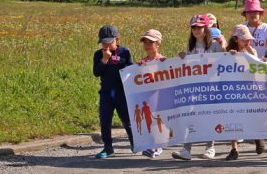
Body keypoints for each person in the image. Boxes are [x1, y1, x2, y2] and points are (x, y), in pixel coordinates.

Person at [171, 15, 227, 161]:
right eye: (193, 27)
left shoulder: (214, 45)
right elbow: (187, 64)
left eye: (199, 27)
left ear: (206, 28)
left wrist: (227, 50)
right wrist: (182, 57)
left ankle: (210, 147)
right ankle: (186, 149)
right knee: (191, 116)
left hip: (211, 87)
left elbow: (223, 62)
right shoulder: (190, 46)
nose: (196, 30)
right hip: (194, 88)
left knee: (210, 116)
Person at [92, 24, 134, 159]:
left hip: (121, 93)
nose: (106, 45)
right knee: (105, 121)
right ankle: (108, 148)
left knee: (127, 120)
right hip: (106, 93)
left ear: (117, 39)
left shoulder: (124, 52)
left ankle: (135, 142)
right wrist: (104, 59)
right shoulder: (98, 54)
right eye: (103, 42)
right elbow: (96, 72)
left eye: (109, 42)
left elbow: (131, 70)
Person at [219, 24, 259, 161]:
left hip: (248, 89)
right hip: (232, 90)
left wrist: (251, 54)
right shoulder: (226, 51)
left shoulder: (251, 51)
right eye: (245, 40)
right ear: (236, 39)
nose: (248, 42)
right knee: (232, 118)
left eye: (249, 39)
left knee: (249, 116)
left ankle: (256, 136)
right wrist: (229, 55)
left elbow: (258, 67)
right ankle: (234, 149)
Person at [134, 29, 165, 158]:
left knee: (158, 120)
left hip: (159, 96)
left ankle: (158, 145)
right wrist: (138, 68)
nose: (147, 45)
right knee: (148, 120)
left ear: (158, 44)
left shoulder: (163, 60)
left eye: (150, 42)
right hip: (146, 97)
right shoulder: (143, 62)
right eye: (145, 42)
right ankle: (150, 145)